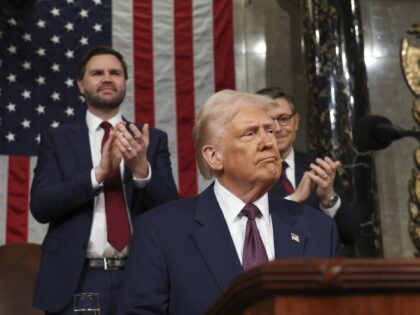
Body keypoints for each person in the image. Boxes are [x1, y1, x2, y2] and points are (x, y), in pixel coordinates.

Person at [117, 90, 340, 315]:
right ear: (214, 157)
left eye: (269, 130)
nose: (268, 142)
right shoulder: (161, 230)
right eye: (249, 133)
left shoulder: (318, 228)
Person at [30, 46, 179, 315]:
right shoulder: (57, 140)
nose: (107, 78)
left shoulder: (151, 139)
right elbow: (41, 206)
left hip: (141, 273)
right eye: (97, 73)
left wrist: (141, 171)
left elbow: (170, 209)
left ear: (125, 82)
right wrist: (98, 173)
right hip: (78, 278)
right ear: (80, 84)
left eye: (115, 73)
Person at [256, 87, 358, 246]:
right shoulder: (246, 173)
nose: (277, 128)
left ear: (296, 122)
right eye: (269, 122)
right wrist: (294, 199)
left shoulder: (319, 166)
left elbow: (349, 235)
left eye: (283, 118)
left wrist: (328, 199)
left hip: (322, 267)